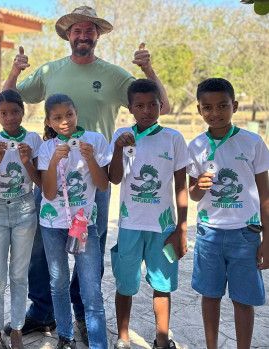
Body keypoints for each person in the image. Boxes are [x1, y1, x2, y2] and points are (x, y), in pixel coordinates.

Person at [2, 6, 171, 341]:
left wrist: (148, 68)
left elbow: (159, 106)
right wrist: (15, 69)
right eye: (77, 31)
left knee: (89, 245)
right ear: (68, 36)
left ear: (97, 35)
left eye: (89, 30)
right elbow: (10, 98)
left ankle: (83, 311)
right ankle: (43, 311)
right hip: (54, 170)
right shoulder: (50, 71)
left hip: (96, 176)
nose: (83, 36)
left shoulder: (115, 75)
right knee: (42, 247)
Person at [108, 79, 191, 349]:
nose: (147, 111)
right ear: (130, 107)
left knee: (163, 283)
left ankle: (162, 338)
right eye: (140, 105)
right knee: (125, 283)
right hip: (130, 224)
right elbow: (115, 178)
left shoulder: (173, 138)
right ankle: (123, 336)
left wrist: (181, 228)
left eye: (153, 105)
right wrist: (119, 148)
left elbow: (181, 185)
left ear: (161, 105)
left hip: (164, 228)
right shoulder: (122, 135)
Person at [187, 78, 269, 349]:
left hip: (245, 235)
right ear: (199, 110)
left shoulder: (253, 142)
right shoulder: (196, 146)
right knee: (210, 296)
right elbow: (193, 194)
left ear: (234, 106)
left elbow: (265, 194)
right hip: (209, 234)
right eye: (207, 107)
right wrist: (199, 185)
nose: (215, 113)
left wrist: (267, 240)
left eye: (223, 105)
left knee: (243, 299)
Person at [37, 94, 111, 349]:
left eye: (69, 114)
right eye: (57, 117)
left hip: (84, 225)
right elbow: (47, 193)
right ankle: (65, 336)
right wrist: (55, 161)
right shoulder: (47, 148)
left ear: (77, 113)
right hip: (52, 225)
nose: (65, 121)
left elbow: (103, 185)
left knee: (92, 289)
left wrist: (90, 159)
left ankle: (98, 343)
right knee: (58, 283)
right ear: (49, 121)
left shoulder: (96, 141)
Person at [0, 90, 42, 349]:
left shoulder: (33, 139)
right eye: (3, 113)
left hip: (25, 209)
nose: (9, 117)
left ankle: (16, 328)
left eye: (15, 111)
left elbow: (40, 181)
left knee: (18, 275)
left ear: (23, 112)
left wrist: (27, 162)